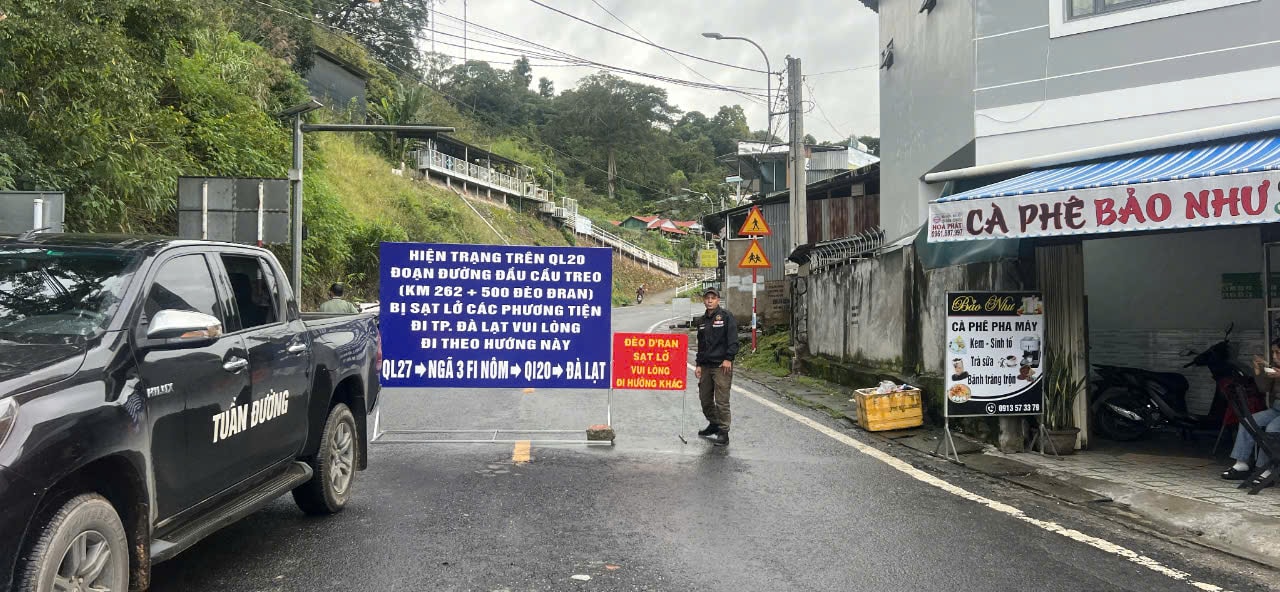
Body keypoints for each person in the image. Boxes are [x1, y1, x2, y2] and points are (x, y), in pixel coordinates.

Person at [1222, 339, 1280, 488]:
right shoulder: (1276, 368)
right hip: (1276, 408)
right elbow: (1264, 388)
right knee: (1249, 421)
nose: (1274, 356)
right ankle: (1241, 463)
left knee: (1272, 429)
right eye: (1273, 352)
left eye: (1278, 353)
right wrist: (1259, 371)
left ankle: (1265, 468)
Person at [695, 287, 738, 446]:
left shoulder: (726, 316)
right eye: (707, 298)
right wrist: (698, 364)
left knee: (722, 401)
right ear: (704, 300)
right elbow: (701, 345)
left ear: (718, 300)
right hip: (706, 365)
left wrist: (728, 358)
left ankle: (724, 432)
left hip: (721, 365)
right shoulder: (701, 321)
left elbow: (733, 340)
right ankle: (714, 423)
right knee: (705, 399)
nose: (710, 301)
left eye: (713, 298)